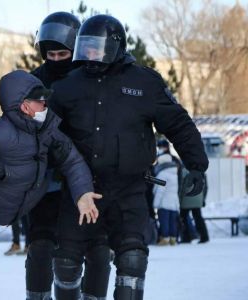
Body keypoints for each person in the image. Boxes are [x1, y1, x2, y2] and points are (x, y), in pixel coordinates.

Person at [49, 14, 209, 300]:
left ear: (115, 46)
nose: (90, 54)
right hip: (81, 191)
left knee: (133, 259)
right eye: (85, 47)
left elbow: (178, 124)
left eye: (96, 47)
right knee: (65, 263)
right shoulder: (67, 86)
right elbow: (46, 136)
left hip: (129, 189)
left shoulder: (145, 82)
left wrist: (196, 165)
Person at [26, 12, 112, 300]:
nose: (57, 59)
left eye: (63, 53)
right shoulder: (32, 82)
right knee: (40, 246)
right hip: (45, 179)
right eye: (51, 54)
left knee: (96, 251)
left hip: (87, 177)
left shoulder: (92, 79)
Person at [0, 70, 101, 228]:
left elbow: (73, 161)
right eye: (39, 100)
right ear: (24, 106)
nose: (45, 104)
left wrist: (83, 193)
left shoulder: (50, 132)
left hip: (27, 206)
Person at [153, 154, 179, 246]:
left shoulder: (162, 174)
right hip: (173, 203)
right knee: (172, 221)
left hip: (163, 202)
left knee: (164, 221)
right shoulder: (174, 173)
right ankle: (173, 238)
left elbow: (160, 190)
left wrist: (155, 204)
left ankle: (165, 238)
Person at [179, 169, 209, 243]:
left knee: (183, 217)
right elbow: (206, 187)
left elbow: (182, 186)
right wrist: (203, 199)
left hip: (186, 198)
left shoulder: (184, 171)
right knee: (198, 217)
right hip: (198, 198)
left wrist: (180, 199)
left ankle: (186, 237)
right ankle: (204, 236)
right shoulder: (201, 172)